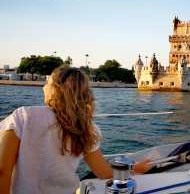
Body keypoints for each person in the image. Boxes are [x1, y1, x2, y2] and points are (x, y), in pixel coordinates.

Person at [0, 66, 151, 194]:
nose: (43, 87)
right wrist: (134, 169)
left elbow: (2, 170)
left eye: (47, 83)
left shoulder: (23, 117)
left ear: (56, 89)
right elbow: (103, 172)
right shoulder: (87, 128)